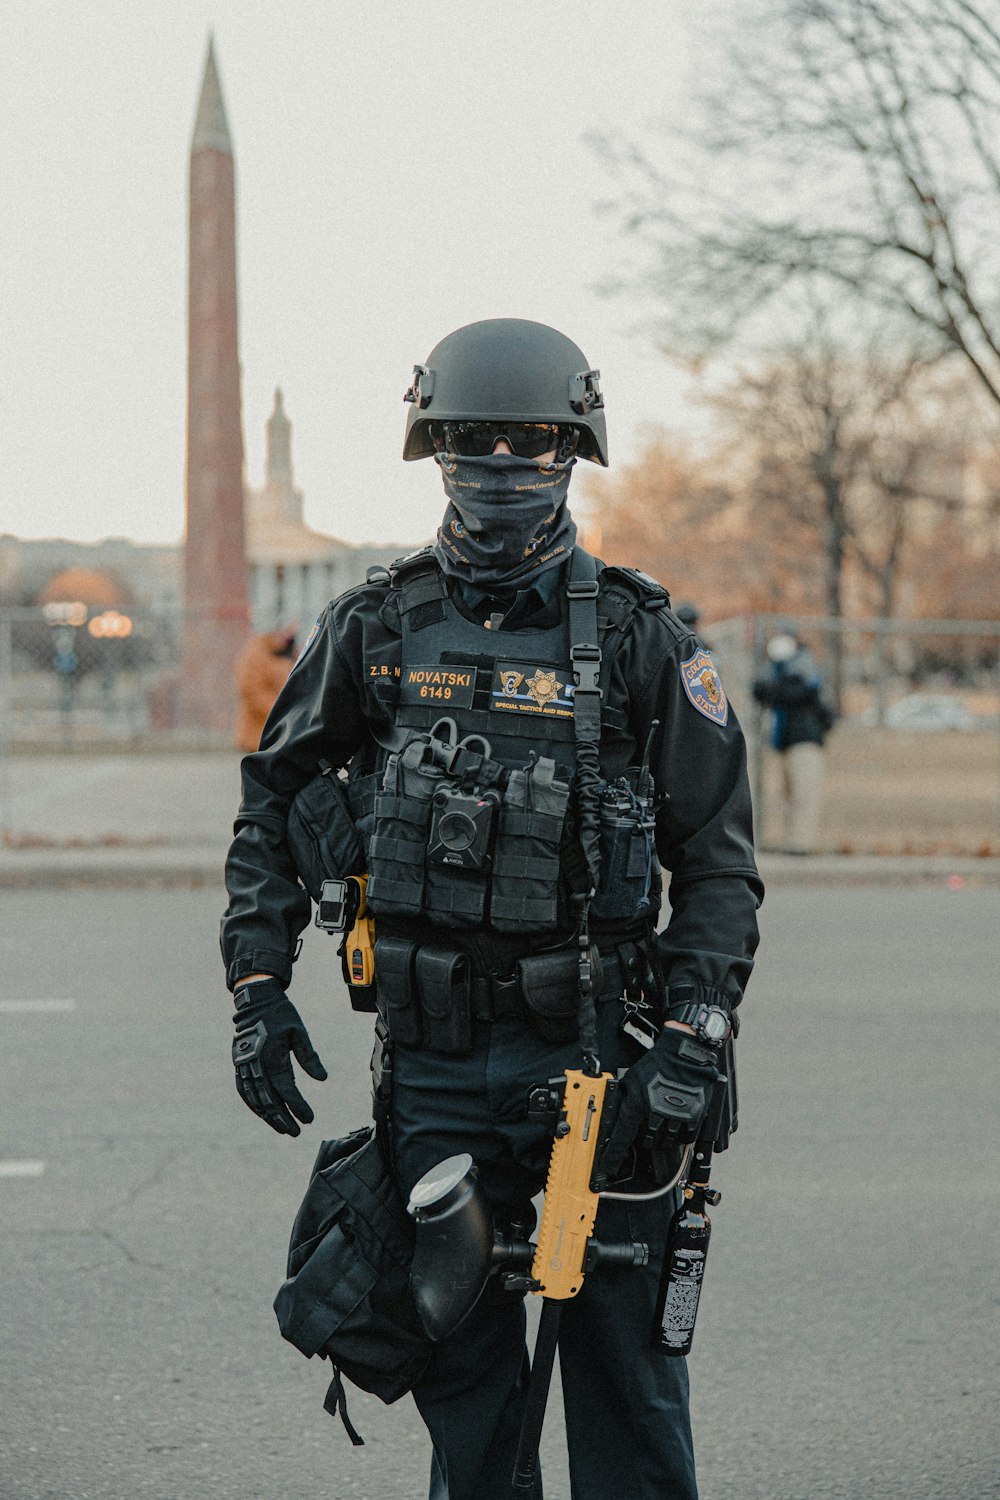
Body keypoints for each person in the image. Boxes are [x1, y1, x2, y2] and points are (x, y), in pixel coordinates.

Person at [221, 318, 762, 1500]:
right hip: (431, 1067)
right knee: (465, 1400)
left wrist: (694, 1034)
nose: (503, 474)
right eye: (474, 448)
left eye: (531, 448)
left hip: (600, 1064)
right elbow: (275, 800)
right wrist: (256, 988)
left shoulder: (638, 637)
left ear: (573, 454)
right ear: (433, 453)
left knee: (625, 1399)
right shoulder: (375, 627)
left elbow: (717, 864)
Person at [752, 630, 834, 855]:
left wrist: (777, 686)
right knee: (786, 794)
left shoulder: (806, 668)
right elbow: (759, 690)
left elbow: (797, 693)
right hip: (784, 742)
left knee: (804, 794)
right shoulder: (775, 669)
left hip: (805, 740)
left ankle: (801, 844)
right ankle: (791, 841)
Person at [233, 624, 297, 752]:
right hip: (258, 734)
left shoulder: (291, 653)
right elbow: (252, 692)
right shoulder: (257, 652)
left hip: (284, 734)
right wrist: (282, 712)